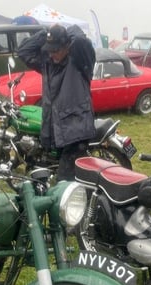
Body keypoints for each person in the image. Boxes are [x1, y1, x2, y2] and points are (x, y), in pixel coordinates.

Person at [18, 24, 96, 181]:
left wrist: (66, 32)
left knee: (64, 183)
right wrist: (46, 33)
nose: (51, 54)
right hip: (57, 130)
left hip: (76, 132)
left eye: (55, 50)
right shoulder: (47, 63)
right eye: (49, 50)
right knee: (62, 177)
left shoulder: (79, 61)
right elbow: (23, 51)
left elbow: (81, 40)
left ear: (67, 46)